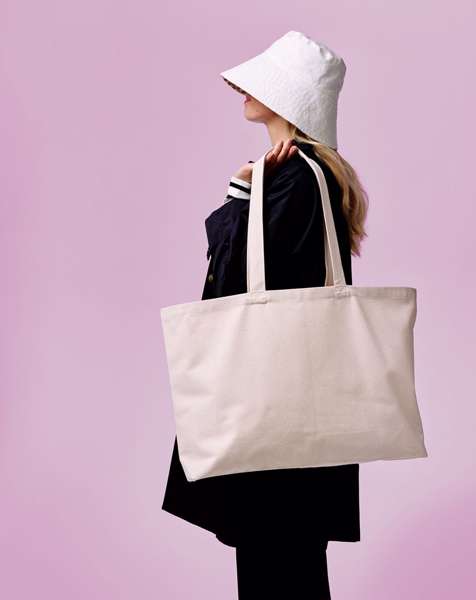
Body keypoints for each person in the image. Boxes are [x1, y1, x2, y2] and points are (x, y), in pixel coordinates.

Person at [162, 31, 369, 599]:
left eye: (261, 83)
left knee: (274, 561)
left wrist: (240, 192)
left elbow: (235, 272)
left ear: (288, 99)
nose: (243, 90)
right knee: (292, 560)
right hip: (300, 402)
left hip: (273, 409)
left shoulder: (296, 176)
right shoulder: (312, 174)